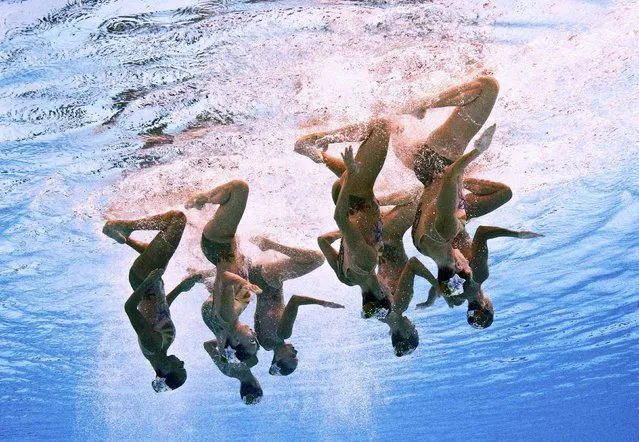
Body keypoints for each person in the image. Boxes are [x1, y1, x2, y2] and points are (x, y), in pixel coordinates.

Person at [103, 210, 197, 392]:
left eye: (181, 367)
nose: (183, 362)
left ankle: (126, 227)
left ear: (166, 370)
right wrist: (181, 288)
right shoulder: (162, 347)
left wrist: (148, 280)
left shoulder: (151, 344)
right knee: (156, 248)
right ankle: (122, 237)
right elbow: (160, 310)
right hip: (152, 282)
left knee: (177, 220)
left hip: (143, 278)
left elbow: (130, 308)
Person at [315, 130, 392, 318]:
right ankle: (314, 152)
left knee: (381, 128)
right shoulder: (346, 279)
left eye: (389, 291)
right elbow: (322, 241)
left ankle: (321, 140)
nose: (389, 286)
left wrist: (350, 174)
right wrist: (348, 232)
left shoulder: (367, 262)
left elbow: (339, 219)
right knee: (345, 168)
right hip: (344, 197)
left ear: (382, 293)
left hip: (357, 193)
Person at [185, 179, 262, 366]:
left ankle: (202, 198)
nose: (254, 335)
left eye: (252, 341)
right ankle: (197, 200)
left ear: (236, 341)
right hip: (220, 249)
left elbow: (225, 277)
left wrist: (245, 285)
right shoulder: (228, 320)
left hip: (219, 246)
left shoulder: (228, 316)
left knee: (239, 189)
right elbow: (219, 283)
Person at [249, 235, 343, 376]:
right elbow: (256, 316)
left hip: (269, 280)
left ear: (279, 357)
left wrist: (323, 303)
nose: (296, 352)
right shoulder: (264, 343)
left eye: (293, 357)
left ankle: (269, 244)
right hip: (255, 280)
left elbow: (295, 300)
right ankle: (267, 245)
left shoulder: (283, 334)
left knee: (317, 259)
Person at [417, 226, 543, 328]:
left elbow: (482, 232)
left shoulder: (478, 277)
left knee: (506, 194)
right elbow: (437, 288)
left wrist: (518, 234)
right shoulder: (457, 297)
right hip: (423, 240)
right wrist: (429, 302)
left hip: (446, 226)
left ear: (488, 305)